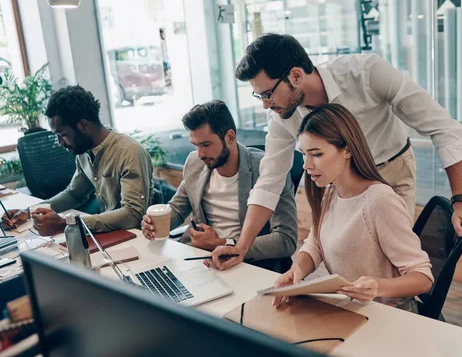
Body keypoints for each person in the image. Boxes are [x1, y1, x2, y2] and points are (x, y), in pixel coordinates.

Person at [211, 33, 462, 270]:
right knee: (341, 257)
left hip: (390, 171)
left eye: (268, 93)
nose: (265, 105)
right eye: (259, 97)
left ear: (295, 75)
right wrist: (242, 246)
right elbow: (269, 180)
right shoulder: (283, 115)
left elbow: (444, 128)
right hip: (337, 186)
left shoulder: (366, 73)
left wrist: (461, 201)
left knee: (388, 263)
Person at [273, 104, 433, 312]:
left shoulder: (380, 201)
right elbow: (314, 245)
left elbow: (423, 278)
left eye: (317, 154)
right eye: (304, 154)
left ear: (347, 149)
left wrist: (378, 287)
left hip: (387, 313)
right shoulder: (330, 193)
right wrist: (296, 272)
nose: (306, 165)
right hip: (350, 308)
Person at [140, 100, 297, 267]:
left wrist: (224, 242)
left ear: (230, 137)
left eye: (206, 144)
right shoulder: (195, 163)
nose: (200, 154)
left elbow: (286, 239)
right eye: (196, 145)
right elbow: (178, 210)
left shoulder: (269, 170)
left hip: (248, 263)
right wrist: (155, 224)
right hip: (200, 257)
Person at [1, 86, 154, 235]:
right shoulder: (84, 151)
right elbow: (74, 194)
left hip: (137, 238)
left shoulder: (129, 151)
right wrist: (29, 211)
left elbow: (132, 215)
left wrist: (67, 224)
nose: (59, 142)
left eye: (63, 134)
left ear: (83, 125)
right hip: (108, 235)